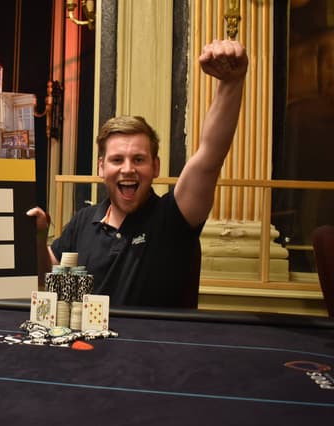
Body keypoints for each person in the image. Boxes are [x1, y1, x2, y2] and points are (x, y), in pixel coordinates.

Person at [27, 39, 249, 308]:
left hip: (157, 337)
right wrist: (39, 236)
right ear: (101, 167)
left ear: (155, 166)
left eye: (139, 159)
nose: (128, 168)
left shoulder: (173, 217)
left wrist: (231, 82)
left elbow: (210, 156)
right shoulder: (84, 220)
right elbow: (50, 275)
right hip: (90, 336)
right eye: (117, 159)